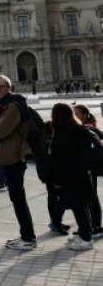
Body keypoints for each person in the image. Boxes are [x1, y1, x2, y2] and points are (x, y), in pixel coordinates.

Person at [0, 75, 38, 251]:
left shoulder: (12, 106)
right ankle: (26, 235)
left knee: (18, 198)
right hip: (13, 155)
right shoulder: (9, 103)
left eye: (0, 87)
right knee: (17, 197)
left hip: (14, 156)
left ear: (8, 87)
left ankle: (28, 238)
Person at [49, 103, 95, 250]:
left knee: (78, 208)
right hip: (82, 174)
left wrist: (57, 180)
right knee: (82, 207)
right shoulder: (78, 129)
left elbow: (60, 160)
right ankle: (84, 234)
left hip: (70, 177)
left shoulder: (62, 134)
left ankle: (86, 239)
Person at [75, 104, 103, 238]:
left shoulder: (87, 129)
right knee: (87, 198)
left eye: (77, 114)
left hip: (90, 169)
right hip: (85, 168)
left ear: (85, 116)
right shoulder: (82, 128)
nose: (74, 116)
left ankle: (96, 226)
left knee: (91, 197)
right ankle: (87, 226)